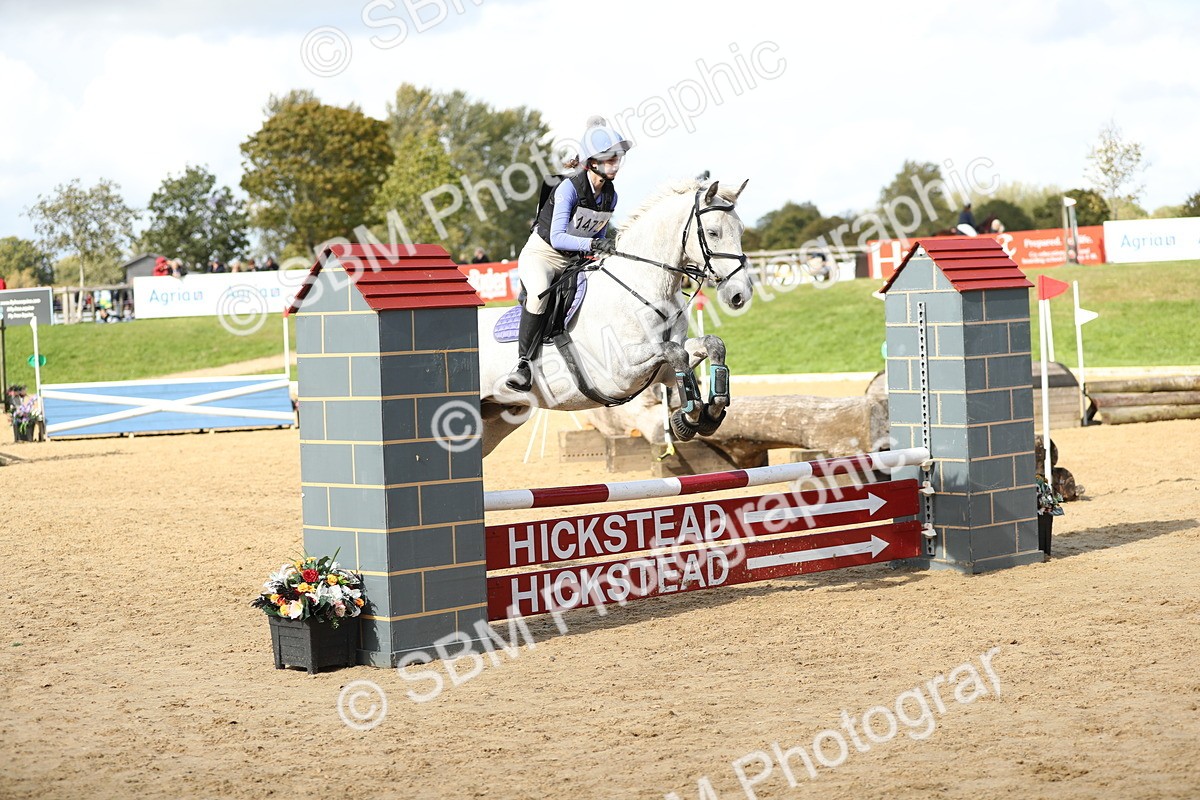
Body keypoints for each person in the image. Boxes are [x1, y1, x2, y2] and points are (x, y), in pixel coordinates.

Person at [504, 116, 631, 392]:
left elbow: (597, 233)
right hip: (543, 255)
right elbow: (557, 236)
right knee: (540, 293)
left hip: (574, 261)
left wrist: (603, 246)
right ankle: (523, 364)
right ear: (593, 162)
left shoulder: (611, 196)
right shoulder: (568, 188)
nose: (616, 164)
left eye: (617, 158)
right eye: (610, 159)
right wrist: (593, 246)